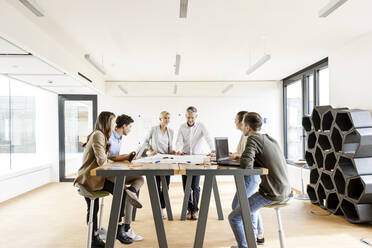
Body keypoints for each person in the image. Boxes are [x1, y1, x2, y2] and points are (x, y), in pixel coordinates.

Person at [228, 112, 290, 248]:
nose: (242, 127)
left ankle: (245, 246)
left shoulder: (252, 139)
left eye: (243, 124)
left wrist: (242, 158)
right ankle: (253, 239)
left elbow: (246, 166)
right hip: (284, 189)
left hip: (272, 192)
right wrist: (240, 157)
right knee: (244, 208)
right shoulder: (269, 138)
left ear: (248, 127)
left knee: (234, 217)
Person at [74, 111, 133, 247]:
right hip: (89, 179)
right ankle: (96, 238)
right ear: (107, 123)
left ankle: (117, 229)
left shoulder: (102, 135)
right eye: (113, 122)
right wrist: (115, 163)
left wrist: (123, 158)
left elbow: (106, 158)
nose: (115, 125)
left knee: (120, 192)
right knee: (94, 208)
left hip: (97, 178)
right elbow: (102, 161)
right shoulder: (98, 135)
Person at [229, 111, 265, 244]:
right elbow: (243, 154)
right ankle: (257, 234)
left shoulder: (251, 137)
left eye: (237, 120)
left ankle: (253, 237)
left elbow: (247, 158)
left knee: (243, 206)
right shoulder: (244, 136)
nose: (236, 123)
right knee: (250, 206)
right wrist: (234, 156)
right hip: (247, 175)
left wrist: (237, 157)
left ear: (245, 124)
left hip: (250, 176)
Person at [108, 114, 145, 242]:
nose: (130, 129)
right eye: (129, 127)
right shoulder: (110, 137)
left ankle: (132, 192)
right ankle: (127, 227)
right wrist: (125, 157)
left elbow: (114, 157)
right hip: (107, 175)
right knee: (127, 189)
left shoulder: (119, 137)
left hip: (115, 171)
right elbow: (108, 158)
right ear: (123, 126)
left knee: (139, 179)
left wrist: (128, 158)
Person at [176, 106, 214, 220]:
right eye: (188, 117)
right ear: (185, 116)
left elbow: (208, 137)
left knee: (195, 186)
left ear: (196, 116)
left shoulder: (201, 126)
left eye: (192, 117)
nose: (190, 119)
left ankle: (195, 210)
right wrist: (178, 150)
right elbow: (179, 140)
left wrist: (213, 150)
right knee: (186, 186)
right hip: (185, 158)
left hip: (198, 159)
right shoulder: (182, 127)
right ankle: (189, 210)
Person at [143, 111, 176, 218]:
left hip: (166, 160)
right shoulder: (153, 129)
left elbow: (170, 147)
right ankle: (157, 209)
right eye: (165, 118)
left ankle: (163, 208)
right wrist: (151, 150)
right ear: (160, 119)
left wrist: (173, 152)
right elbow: (146, 142)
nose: (167, 120)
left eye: (168, 118)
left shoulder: (171, 131)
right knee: (156, 185)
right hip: (155, 160)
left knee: (166, 186)